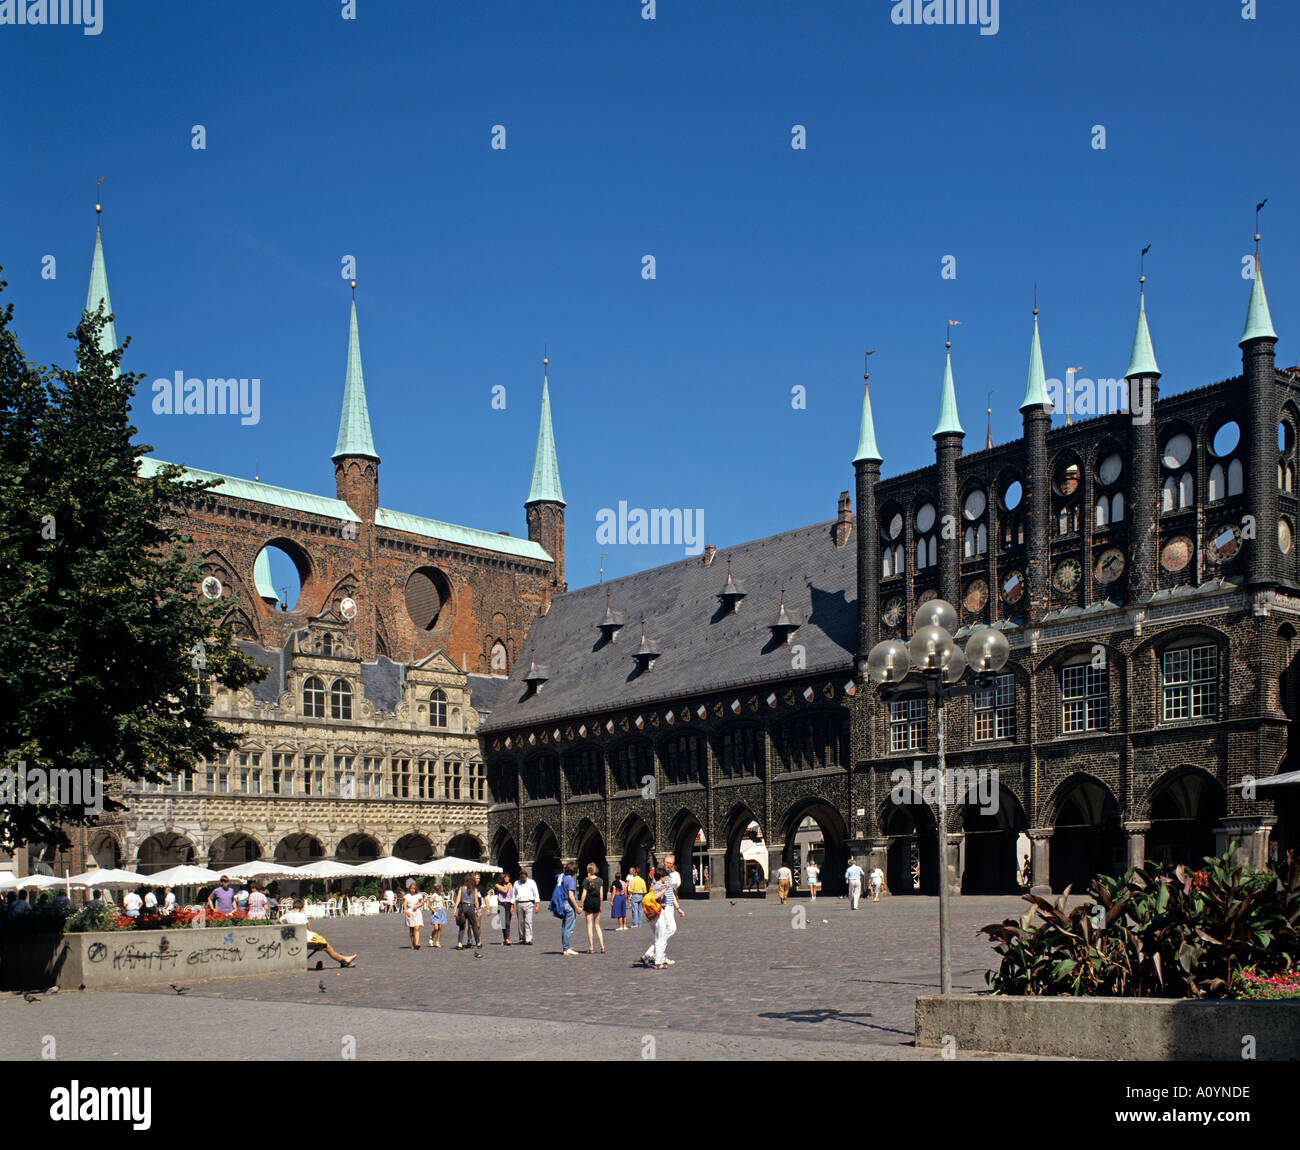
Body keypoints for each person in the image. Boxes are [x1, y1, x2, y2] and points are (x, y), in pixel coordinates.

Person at [282, 899, 356, 967]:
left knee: (327, 947)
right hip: (309, 937)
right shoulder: (302, 915)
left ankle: (344, 959)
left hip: (295, 939)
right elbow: (310, 928)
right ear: (301, 908)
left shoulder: (287, 915)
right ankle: (345, 960)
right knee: (328, 947)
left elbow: (279, 920)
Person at [640, 853, 684, 969]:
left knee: (664, 932)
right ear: (664, 862)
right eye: (667, 863)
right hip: (663, 907)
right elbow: (656, 892)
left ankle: (657, 955)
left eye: (671, 863)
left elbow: (671, 893)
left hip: (669, 906)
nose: (669, 865)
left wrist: (678, 907)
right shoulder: (659, 876)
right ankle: (653, 954)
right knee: (670, 929)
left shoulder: (669, 875)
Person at [581, 863, 606, 955]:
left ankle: (591, 948)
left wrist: (580, 905)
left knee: (589, 925)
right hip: (596, 901)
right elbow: (601, 894)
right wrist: (600, 905)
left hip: (588, 901)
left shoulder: (586, 880)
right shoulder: (600, 880)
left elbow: (584, 894)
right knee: (597, 925)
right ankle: (602, 947)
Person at [455, 874, 484, 949]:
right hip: (471, 907)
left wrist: (455, 908)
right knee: (474, 926)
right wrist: (477, 910)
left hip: (463, 907)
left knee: (462, 926)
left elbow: (458, 899)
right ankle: (478, 942)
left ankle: (459, 943)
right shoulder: (474, 889)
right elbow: (476, 901)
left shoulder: (461, 888)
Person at [557, 864, 581, 955]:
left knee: (564, 927)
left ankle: (565, 946)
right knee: (568, 927)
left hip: (562, 903)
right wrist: (577, 907)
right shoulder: (570, 880)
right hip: (569, 904)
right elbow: (571, 895)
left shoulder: (562, 877)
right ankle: (566, 948)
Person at [512, 868, 539, 944]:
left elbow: (536, 893)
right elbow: (513, 895)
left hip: (529, 903)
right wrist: (512, 905)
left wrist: (537, 905)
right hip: (519, 903)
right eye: (521, 878)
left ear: (526, 876)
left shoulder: (532, 882)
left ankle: (529, 939)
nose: (522, 879)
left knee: (528, 921)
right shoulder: (516, 883)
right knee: (520, 922)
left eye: (524, 878)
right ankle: (522, 938)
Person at [403, 879, 424, 949]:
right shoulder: (407, 896)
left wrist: (417, 906)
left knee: (417, 928)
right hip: (410, 912)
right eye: (412, 888)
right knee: (412, 930)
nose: (413, 890)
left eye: (414, 889)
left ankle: (417, 943)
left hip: (417, 912)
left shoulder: (418, 895)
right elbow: (405, 905)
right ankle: (413, 943)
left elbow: (422, 903)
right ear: (409, 889)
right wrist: (406, 911)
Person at [494, 873, 514, 945]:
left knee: (508, 922)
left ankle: (507, 938)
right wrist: (508, 885)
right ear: (503, 878)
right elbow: (505, 891)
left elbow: (512, 896)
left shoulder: (510, 885)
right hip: (501, 904)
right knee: (503, 923)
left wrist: (512, 906)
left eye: (508, 877)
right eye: (506, 877)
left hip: (508, 904)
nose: (508, 878)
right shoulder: (497, 885)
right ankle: (506, 938)